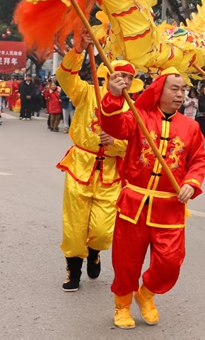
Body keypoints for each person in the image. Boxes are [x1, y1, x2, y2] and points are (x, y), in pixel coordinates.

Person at [101, 67, 205, 329]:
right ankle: (122, 305)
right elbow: (113, 125)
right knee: (126, 261)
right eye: (175, 88)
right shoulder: (138, 116)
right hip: (134, 204)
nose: (180, 94)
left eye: (183, 89)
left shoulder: (191, 126)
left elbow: (199, 160)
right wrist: (113, 96)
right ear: (159, 91)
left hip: (170, 206)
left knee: (170, 262)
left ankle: (146, 294)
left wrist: (191, 184)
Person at [54, 35, 136, 292]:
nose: (122, 80)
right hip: (81, 165)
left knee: (102, 230)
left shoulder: (134, 108)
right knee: (75, 224)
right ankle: (73, 270)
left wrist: (116, 143)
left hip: (111, 172)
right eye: (117, 76)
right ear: (107, 77)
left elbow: (138, 143)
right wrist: (78, 49)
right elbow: (64, 77)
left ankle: (94, 251)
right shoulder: (87, 93)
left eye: (128, 77)